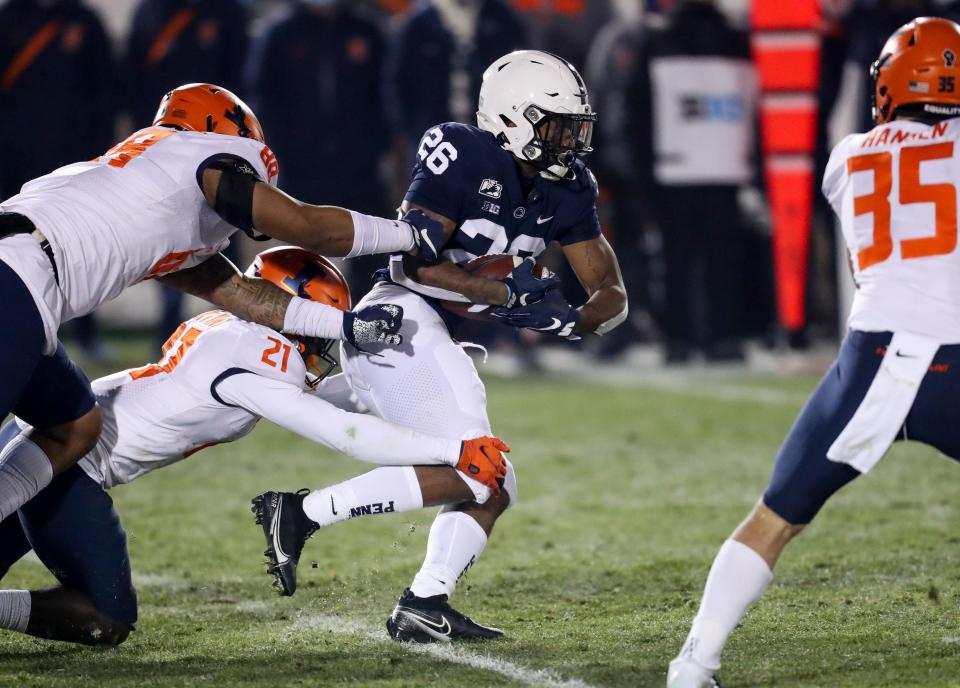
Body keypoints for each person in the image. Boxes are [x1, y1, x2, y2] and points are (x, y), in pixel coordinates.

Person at [256, 50, 628, 642]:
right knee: (482, 466)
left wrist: (575, 322)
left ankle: (424, 603)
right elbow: (414, 264)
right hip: (396, 320)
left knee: (495, 482)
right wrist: (503, 293)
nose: (568, 142)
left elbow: (610, 289)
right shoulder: (461, 150)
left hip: (435, 336)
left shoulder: (570, 188)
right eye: (556, 126)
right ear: (512, 118)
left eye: (574, 128)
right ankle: (300, 514)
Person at [0, 247, 509, 647]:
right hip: (64, 468)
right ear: (284, 309)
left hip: (39, 437)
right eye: (312, 328)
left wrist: (400, 383)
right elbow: (343, 434)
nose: (316, 348)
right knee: (105, 618)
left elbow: (327, 400)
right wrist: (453, 451)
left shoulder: (233, 333)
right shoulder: (256, 357)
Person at [0, 81, 449, 531]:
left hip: (27, 285)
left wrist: (350, 327)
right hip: (19, 279)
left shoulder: (144, 192)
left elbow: (245, 296)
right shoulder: (201, 152)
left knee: (75, 425)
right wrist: (410, 234)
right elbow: (310, 228)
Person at [668, 17, 960, 687]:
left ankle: (694, 664)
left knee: (775, 516)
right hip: (953, 361)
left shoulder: (848, 156)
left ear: (887, 86)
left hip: (871, 362)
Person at [625, 0, 758, 363]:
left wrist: (641, 177)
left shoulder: (658, 41)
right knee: (723, 259)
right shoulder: (739, 42)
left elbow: (636, 114)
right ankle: (723, 337)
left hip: (672, 170)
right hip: (728, 166)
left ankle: (679, 341)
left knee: (676, 262)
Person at [124, 0, 251, 346]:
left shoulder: (226, 12)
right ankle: (166, 332)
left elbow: (241, 78)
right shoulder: (150, 12)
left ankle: (242, 331)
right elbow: (134, 77)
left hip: (219, 146)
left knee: (227, 233)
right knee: (169, 237)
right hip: (162, 147)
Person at [245, 0, 391, 301]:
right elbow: (262, 98)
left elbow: (387, 95)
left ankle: (373, 330)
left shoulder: (368, 29)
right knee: (297, 263)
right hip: (300, 168)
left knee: (373, 256)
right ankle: (299, 334)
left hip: (359, 169)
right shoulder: (280, 33)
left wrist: (373, 145)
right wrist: (283, 150)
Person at [0, 0, 119, 360]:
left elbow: (105, 92)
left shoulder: (83, 20)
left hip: (71, 163)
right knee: (13, 246)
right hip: (14, 161)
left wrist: (100, 158)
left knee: (80, 247)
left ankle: (84, 333)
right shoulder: (9, 18)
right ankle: (19, 327)